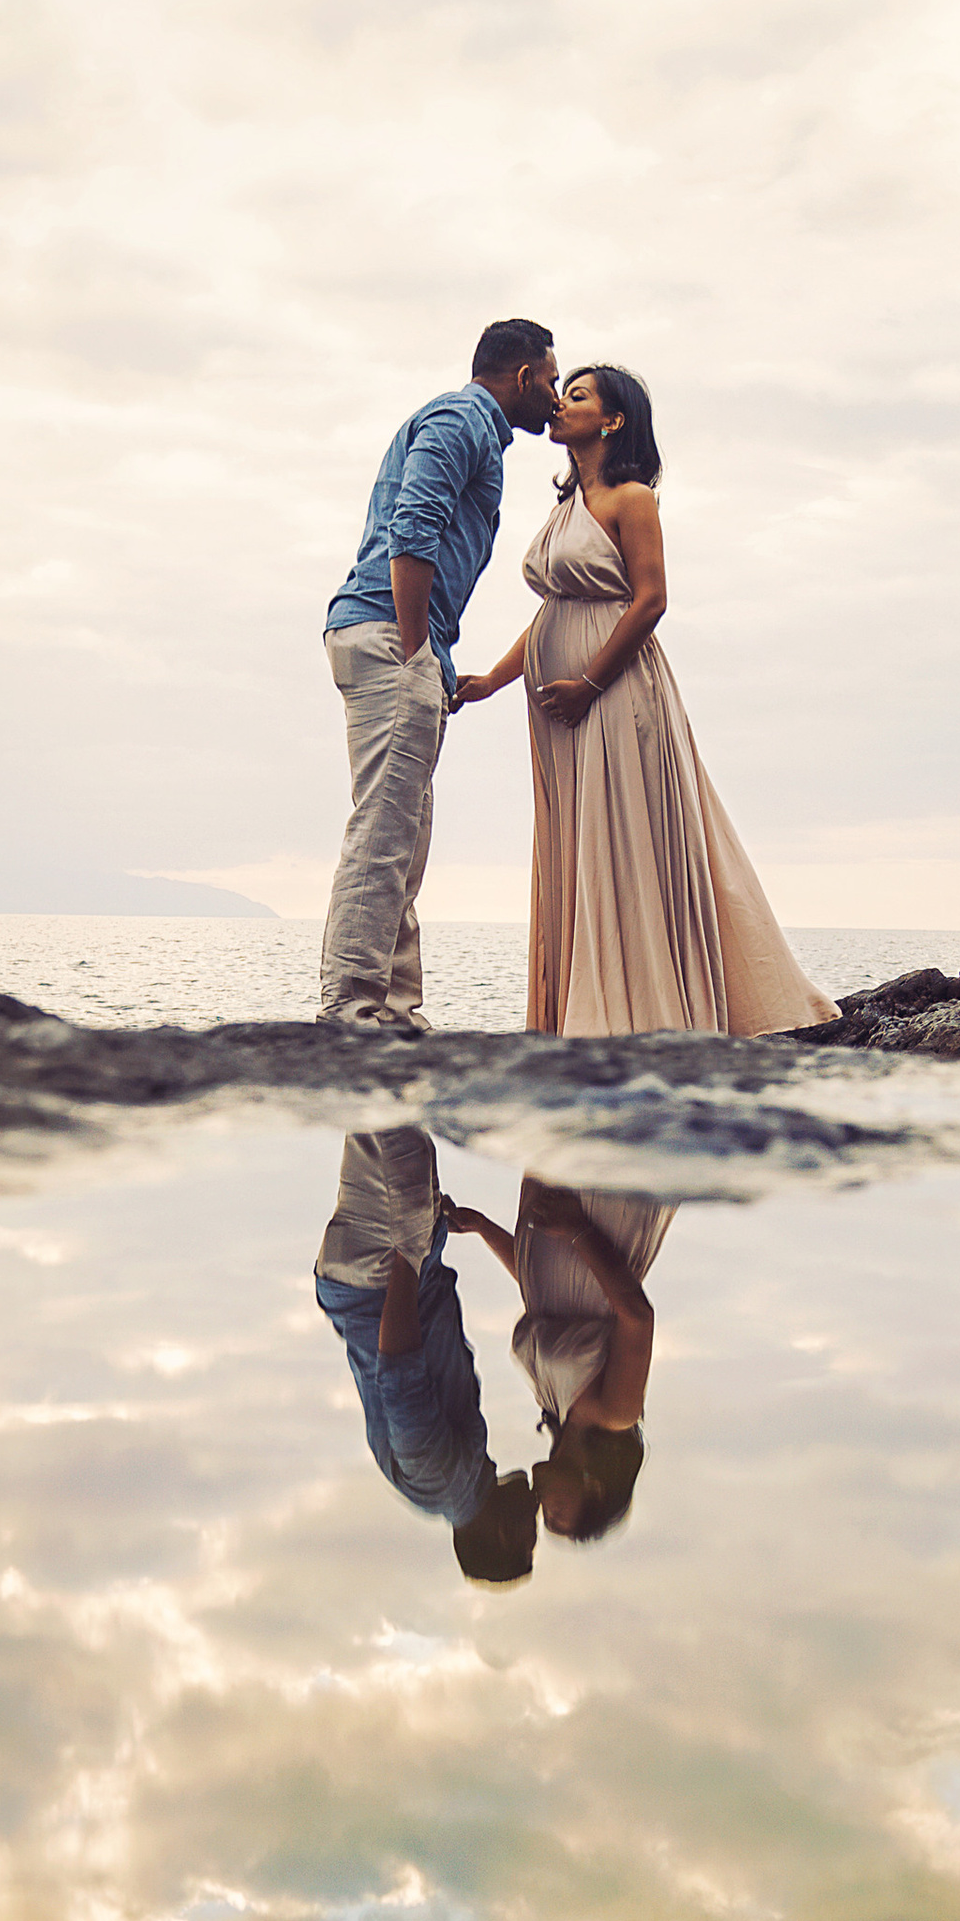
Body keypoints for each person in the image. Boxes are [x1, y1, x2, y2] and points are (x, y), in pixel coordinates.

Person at [449, 364, 835, 1037]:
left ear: (613, 420)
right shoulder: (565, 507)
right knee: (580, 845)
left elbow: (651, 600)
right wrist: (492, 681)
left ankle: (640, 1010)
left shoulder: (632, 499)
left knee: (624, 840)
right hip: (560, 712)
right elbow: (553, 615)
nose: (559, 403)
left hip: (615, 693)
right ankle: (585, 1005)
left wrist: (590, 683)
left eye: (576, 395)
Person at [318, 317, 561, 1031]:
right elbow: (414, 526)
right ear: (523, 376)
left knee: (406, 833)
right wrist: (417, 646)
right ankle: (350, 1009)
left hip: (399, 639)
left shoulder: (476, 430)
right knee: (384, 828)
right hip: (390, 635)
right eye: (551, 381)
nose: (554, 397)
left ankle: (394, 1008)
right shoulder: (461, 420)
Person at [313, 1130, 536, 1585]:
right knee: (383, 1120)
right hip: (376, 1278)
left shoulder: (444, 1481)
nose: (536, 1521)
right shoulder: (457, 1481)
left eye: (529, 1538)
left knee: (393, 1118)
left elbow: (400, 1373)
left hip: (378, 1279)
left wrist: (407, 1255)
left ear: (502, 1536)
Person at [443, 1177, 668, 1545]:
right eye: (557, 1512)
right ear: (594, 1490)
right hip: (597, 1221)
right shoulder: (616, 1413)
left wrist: (483, 1228)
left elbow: (545, 1292)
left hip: (549, 1223)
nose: (542, 1507)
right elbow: (637, 1317)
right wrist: (577, 1228)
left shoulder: (554, 1407)